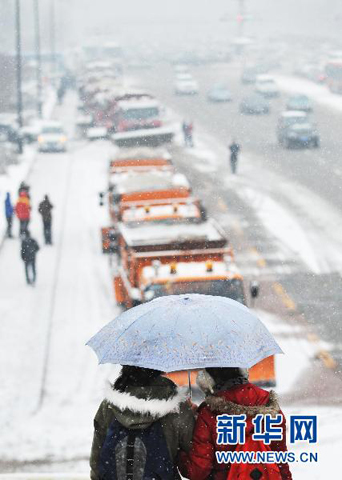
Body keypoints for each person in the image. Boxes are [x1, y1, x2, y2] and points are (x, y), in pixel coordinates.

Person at [179, 367, 292, 480]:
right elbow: (280, 459)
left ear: (208, 380)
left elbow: (198, 471)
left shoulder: (209, 414)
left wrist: (179, 455)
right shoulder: (268, 404)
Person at [90, 365, 195, 480]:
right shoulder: (176, 407)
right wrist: (193, 415)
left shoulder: (109, 405)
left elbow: (97, 460)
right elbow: (195, 458)